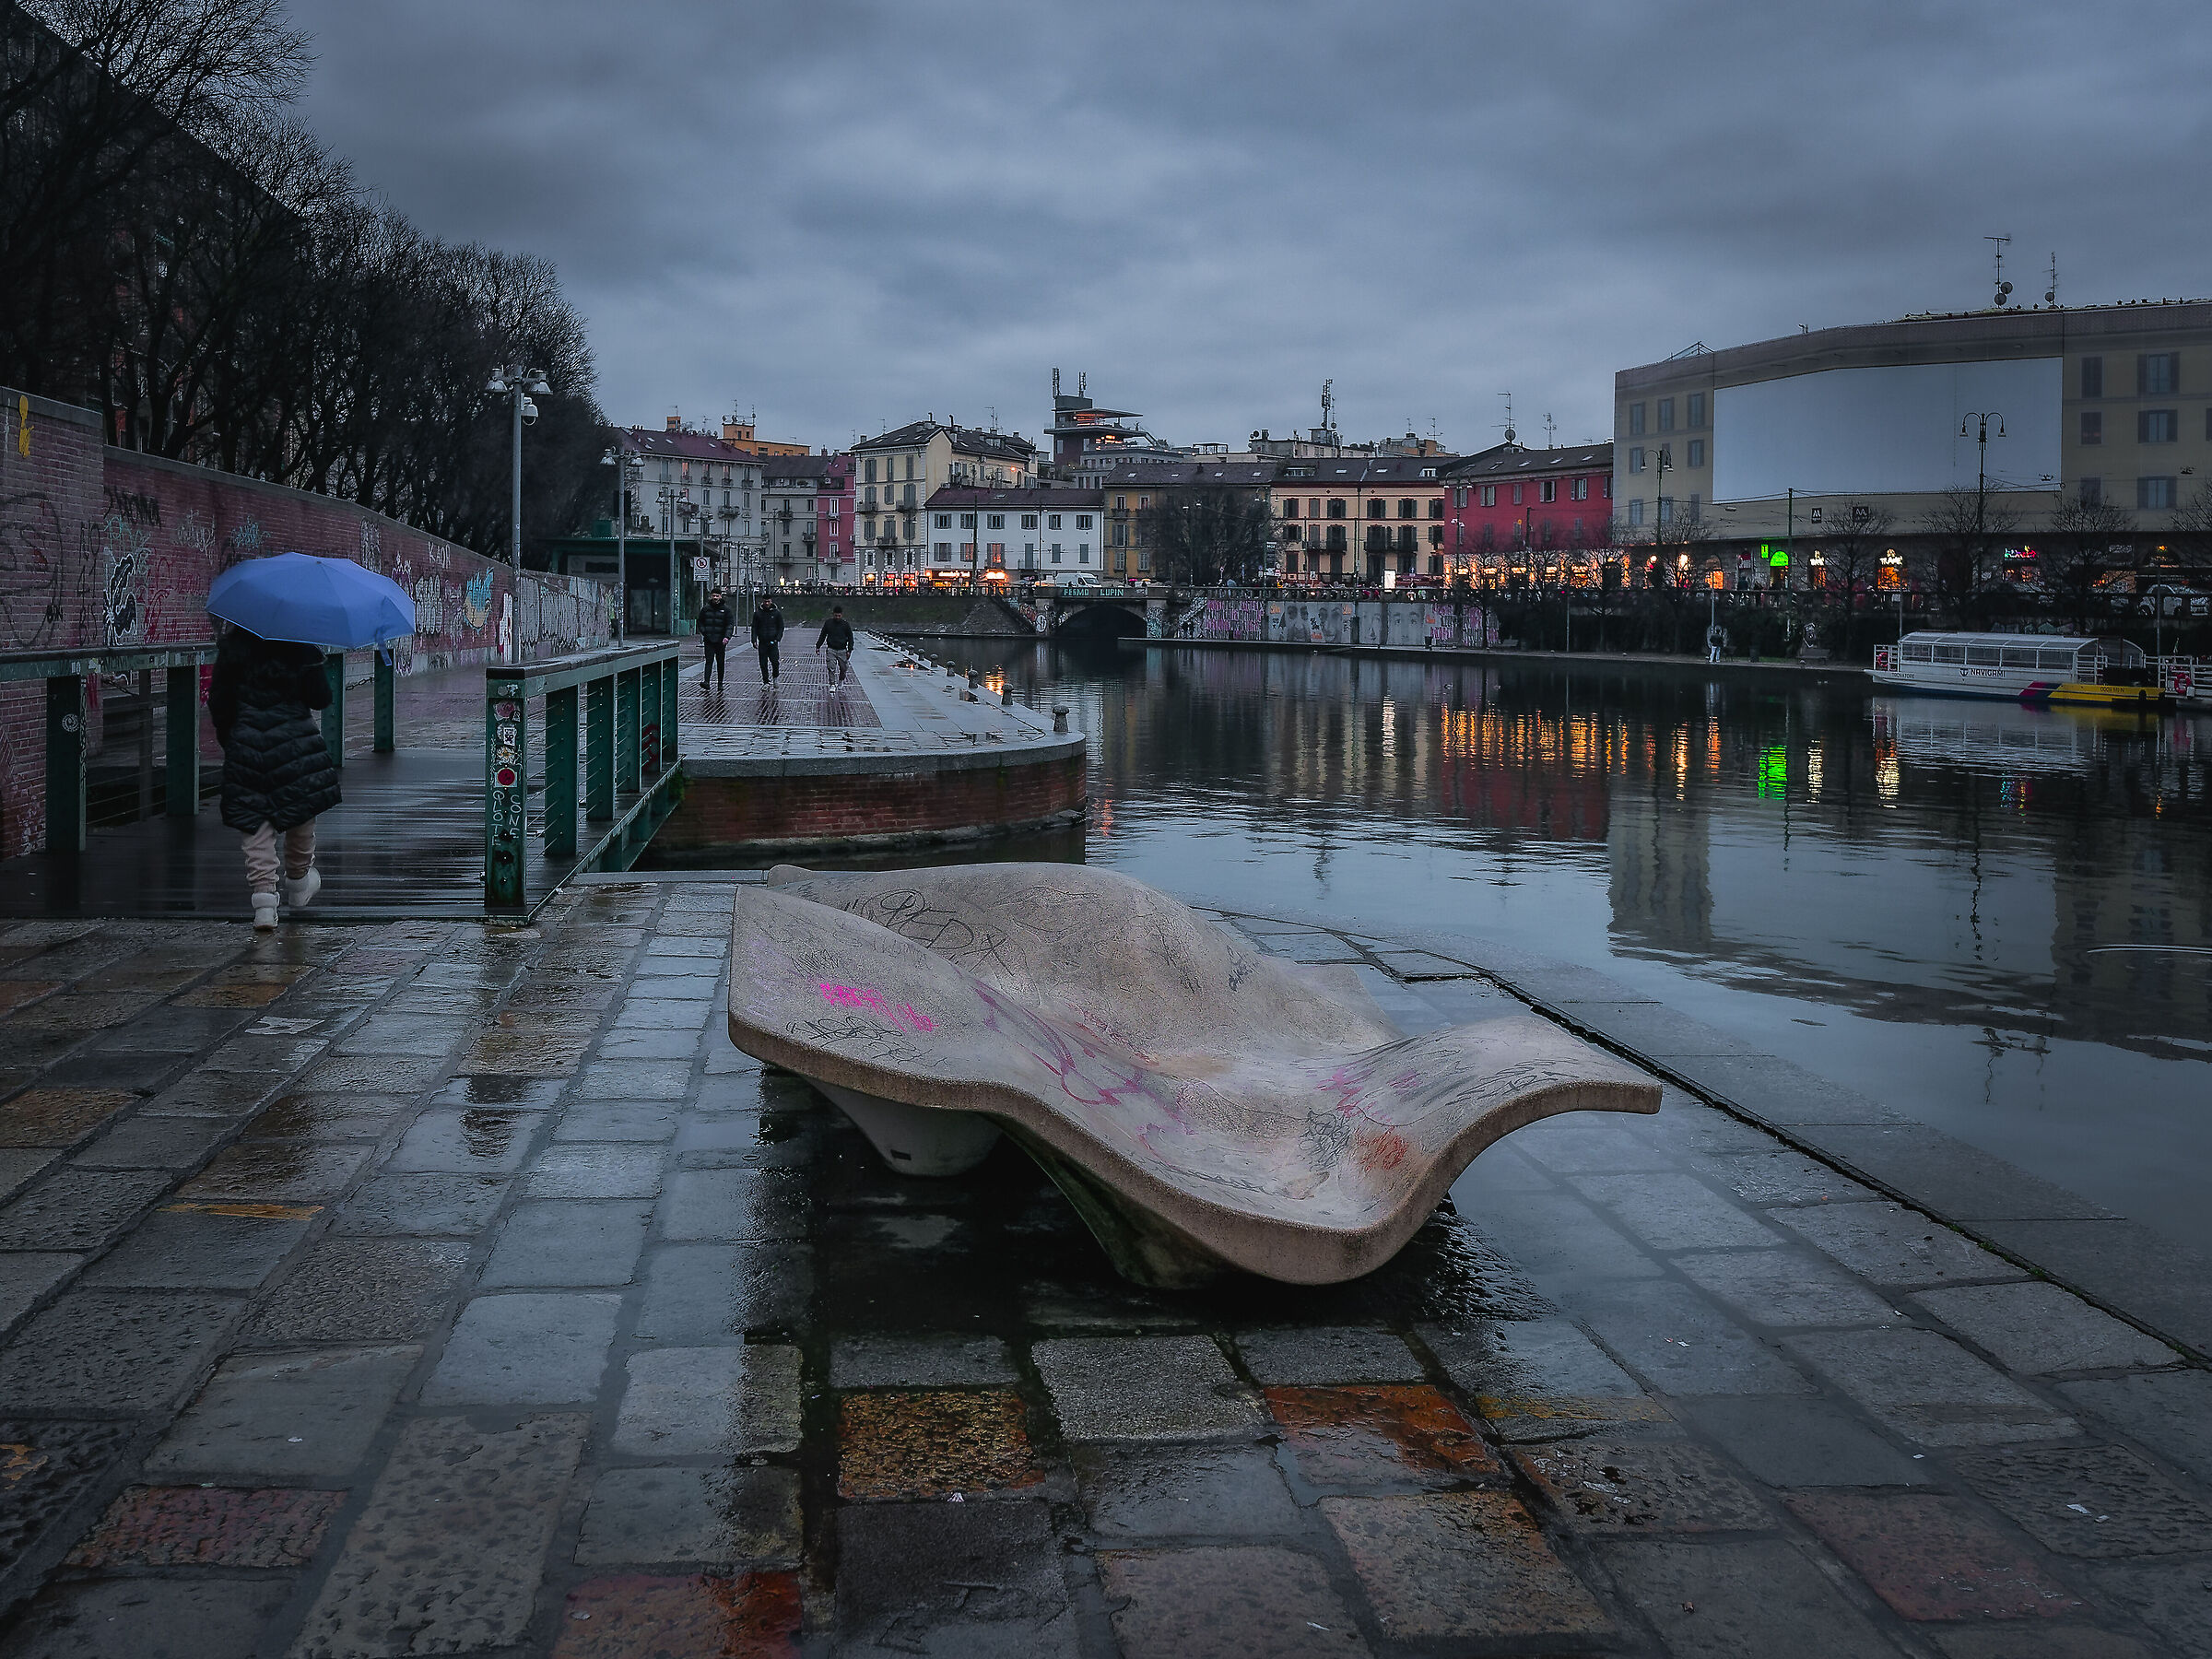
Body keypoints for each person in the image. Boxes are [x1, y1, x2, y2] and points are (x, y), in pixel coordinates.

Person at [207, 625, 340, 932]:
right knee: (301, 813)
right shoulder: (300, 645)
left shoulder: (233, 649)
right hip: (295, 744)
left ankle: (264, 901)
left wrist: (234, 739)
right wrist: (313, 661)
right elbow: (321, 697)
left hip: (246, 744)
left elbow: (219, 702)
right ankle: (298, 881)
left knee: (255, 822)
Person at [696, 588, 734, 691]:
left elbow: (730, 624)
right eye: (714, 596)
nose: (715, 598)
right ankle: (706, 682)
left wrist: (727, 636)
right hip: (709, 640)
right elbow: (700, 622)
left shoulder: (726, 610)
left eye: (717, 596)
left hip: (721, 641)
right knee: (709, 661)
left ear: (720, 596)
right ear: (711, 596)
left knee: (720, 662)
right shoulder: (706, 609)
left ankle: (720, 683)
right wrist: (705, 633)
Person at [817, 603, 854, 684]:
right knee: (831, 667)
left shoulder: (845, 625)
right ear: (833, 614)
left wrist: (849, 650)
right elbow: (823, 635)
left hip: (842, 650)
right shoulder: (828, 623)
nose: (837, 617)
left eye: (839, 616)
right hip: (831, 649)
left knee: (843, 668)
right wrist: (818, 646)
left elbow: (851, 637)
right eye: (836, 615)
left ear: (841, 615)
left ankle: (841, 680)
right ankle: (832, 683)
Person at [751, 595, 783, 684]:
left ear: (771, 601)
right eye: (765, 601)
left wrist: (778, 638)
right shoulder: (758, 613)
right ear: (763, 601)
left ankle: (775, 676)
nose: (767, 603)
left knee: (775, 662)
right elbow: (754, 627)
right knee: (763, 663)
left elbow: (781, 626)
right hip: (763, 642)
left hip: (773, 641)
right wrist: (753, 640)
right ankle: (766, 681)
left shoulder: (776, 613)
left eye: (768, 601)